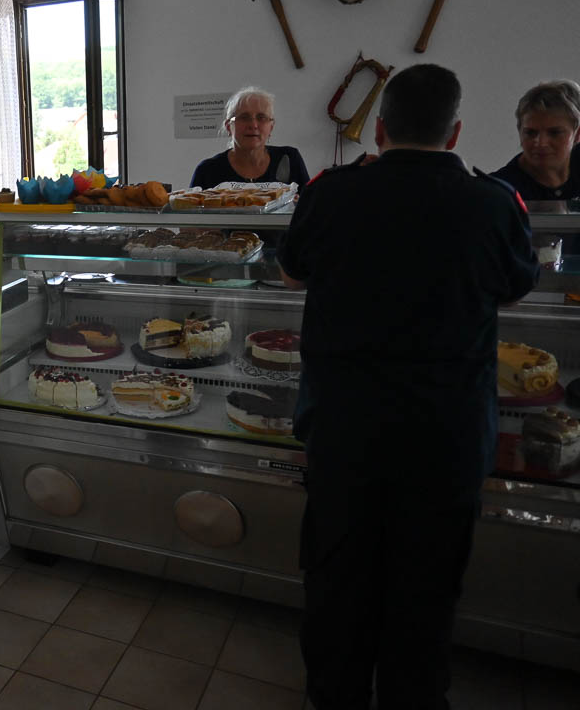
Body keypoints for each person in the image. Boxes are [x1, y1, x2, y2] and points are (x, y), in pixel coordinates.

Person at [278, 64, 539, 709]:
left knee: (337, 583)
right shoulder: (494, 202)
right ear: (455, 134)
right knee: (426, 594)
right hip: (446, 438)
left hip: (345, 431)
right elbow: (515, 288)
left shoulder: (330, 193)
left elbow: (292, 274)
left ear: (380, 129)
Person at [190, 87, 310, 188]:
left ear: (271, 127)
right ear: (228, 126)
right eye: (244, 117)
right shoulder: (207, 171)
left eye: (261, 117)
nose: (253, 125)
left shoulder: (289, 159)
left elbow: (310, 206)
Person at [491, 80, 580, 200]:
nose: (541, 143)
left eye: (554, 133)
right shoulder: (498, 191)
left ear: (577, 134)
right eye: (530, 133)